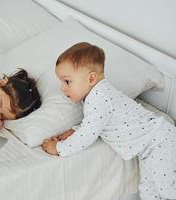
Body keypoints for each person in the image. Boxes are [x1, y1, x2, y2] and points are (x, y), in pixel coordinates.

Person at [42, 42, 176, 200]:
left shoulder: (100, 98)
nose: (62, 88)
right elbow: (95, 123)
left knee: (167, 189)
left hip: (159, 142)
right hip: (148, 147)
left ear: (91, 78)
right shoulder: (97, 96)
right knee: (148, 191)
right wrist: (74, 130)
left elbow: (87, 136)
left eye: (67, 81)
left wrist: (58, 148)